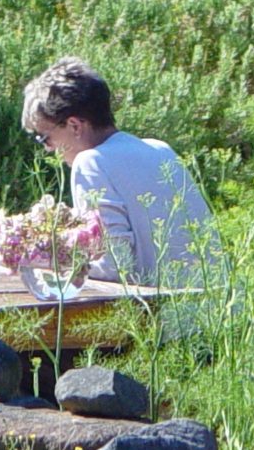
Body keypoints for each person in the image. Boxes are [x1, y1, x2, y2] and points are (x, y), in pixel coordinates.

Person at [21, 57, 216, 287]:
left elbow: (115, 266)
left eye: (45, 138)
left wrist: (41, 259)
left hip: (161, 315)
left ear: (74, 125)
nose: (48, 149)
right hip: (212, 307)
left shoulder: (91, 162)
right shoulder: (160, 149)